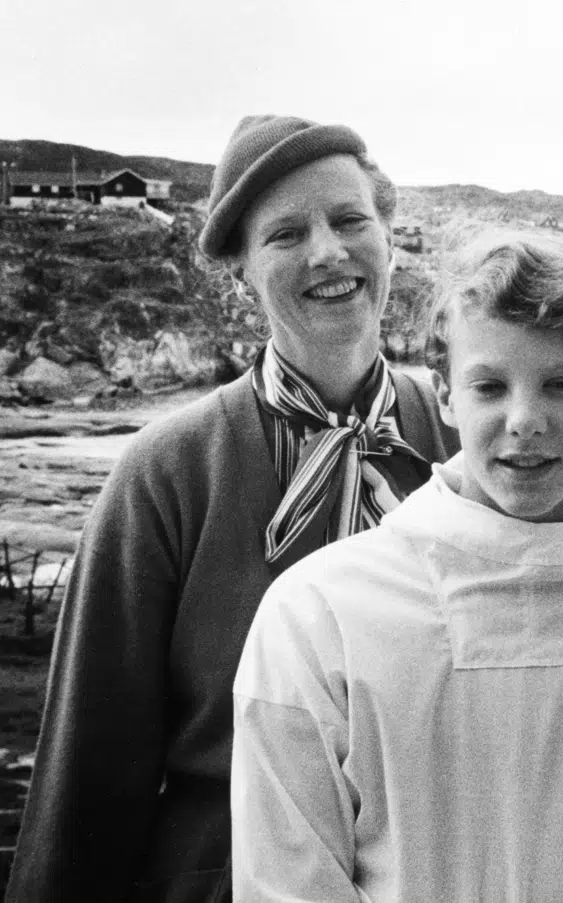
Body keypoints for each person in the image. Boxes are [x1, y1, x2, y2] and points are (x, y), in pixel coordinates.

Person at [230, 234, 563, 902]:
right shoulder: (318, 615)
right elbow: (288, 880)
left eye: (560, 384)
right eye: (490, 385)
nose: (525, 420)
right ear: (445, 395)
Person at [6, 115, 459, 903]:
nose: (328, 250)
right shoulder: (164, 476)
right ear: (239, 271)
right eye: (286, 234)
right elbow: (90, 778)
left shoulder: (466, 442)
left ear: (389, 236)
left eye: (350, 219)